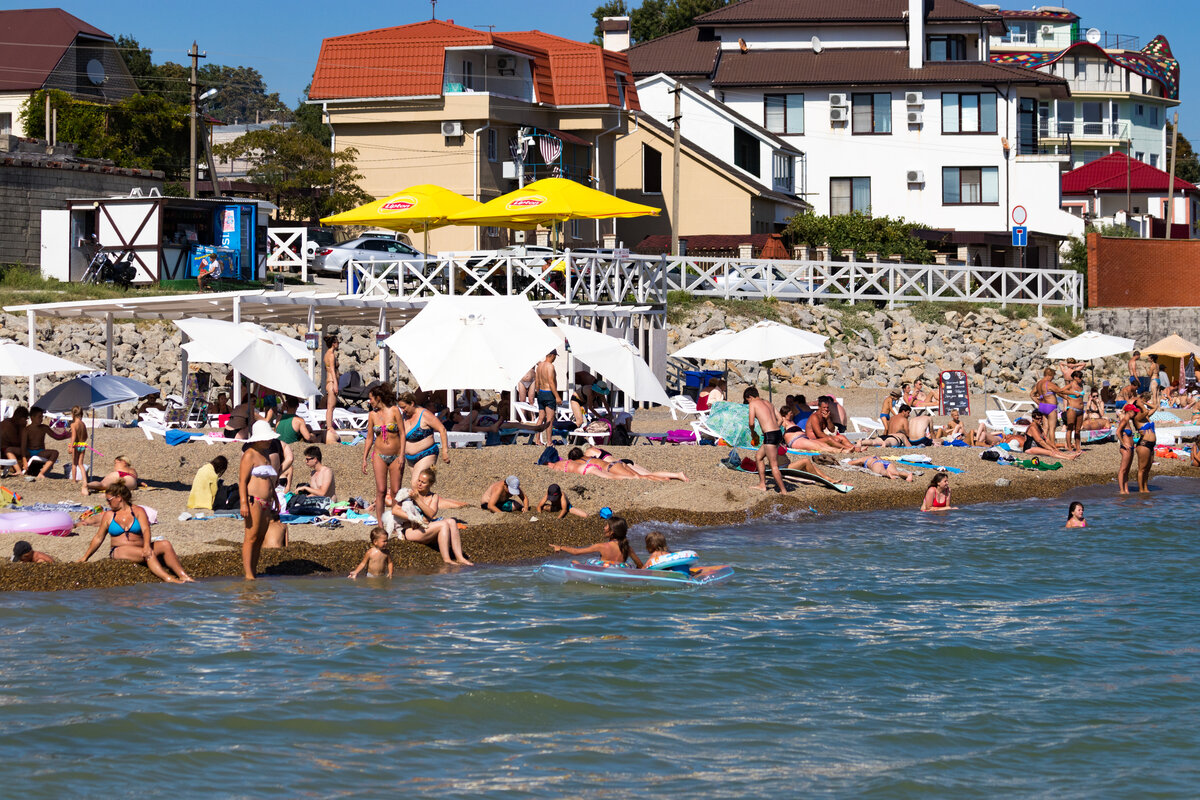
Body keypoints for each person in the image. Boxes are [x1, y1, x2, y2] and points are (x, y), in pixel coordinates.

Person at [77, 483, 193, 582]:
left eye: (109, 500)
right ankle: (169, 579)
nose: (108, 503)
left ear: (119, 497)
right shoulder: (109, 515)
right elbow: (98, 537)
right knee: (147, 553)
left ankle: (184, 576)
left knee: (165, 544)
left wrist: (147, 545)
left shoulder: (138, 511)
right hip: (119, 550)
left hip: (140, 547)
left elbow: (146, 529)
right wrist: (85, 557)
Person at [395, 467, 472, 565]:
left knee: (452, 522)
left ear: (430, 484)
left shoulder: (433, 497)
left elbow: (431, 513)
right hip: (411, 530)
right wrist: (412, 518)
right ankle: (447, 559)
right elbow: (395, 510)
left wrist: (417, 500)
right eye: (418, 480)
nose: (419, 484)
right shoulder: (410, 493)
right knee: (443, 524)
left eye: (423, 482)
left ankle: (460, 557)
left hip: (427, 529)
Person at [238, 421, 280, 580]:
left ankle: (253, 571)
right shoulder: (249, 454)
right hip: (253, 500)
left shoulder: (266, 454)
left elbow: (269, 480)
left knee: (260, 537)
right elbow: (242, 481)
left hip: (267, 501)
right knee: (251, 536)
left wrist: (275, 497)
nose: (269, 441)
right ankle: (248, 574)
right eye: (267, 438)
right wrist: (243, 503)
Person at [363, 384, 406, 525]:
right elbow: (369, 437)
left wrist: (401, 455)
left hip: (396, 455)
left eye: (371, 399)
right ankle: (380, 524)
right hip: (379, 455)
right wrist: (364, 458)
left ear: (378, 397)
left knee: (395, 491)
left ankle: (395, 521)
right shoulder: (372, 415)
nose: (370, 401)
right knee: (381, 490)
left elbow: (402, 433)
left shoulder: (394, 411)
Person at [397, 392, 450, 485]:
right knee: (421, 488)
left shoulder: (425, 414)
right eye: (400, 408)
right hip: (410, 457)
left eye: (404, 407)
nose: (402, 410)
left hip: (426, 454)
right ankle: (431, 500)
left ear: (412, 403)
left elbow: (442, 429)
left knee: (416, 484)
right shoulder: (404, 417)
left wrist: (445, 451)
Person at [550, 515, 642, 568]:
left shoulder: (601, 546)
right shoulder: (627, 547)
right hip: (619, 575)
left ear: (612, 532)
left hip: (603, 574)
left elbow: (576, 552)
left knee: (574, 562)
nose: (604, 528)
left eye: (606, 526)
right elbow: (640, 565)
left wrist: (560, 547)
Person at [745, 387, 786, 493]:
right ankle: (762, 484)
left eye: (747, 400)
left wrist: (753, 433)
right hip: (778, 433)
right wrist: (773, 429)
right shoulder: (768, 403)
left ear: (750, 397)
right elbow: (781, 419)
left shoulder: (753, 404)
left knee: (773, 465)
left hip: (770, 435)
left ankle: (783, 491)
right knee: (758, 457)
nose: (748, 402)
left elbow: (751, 423)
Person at [581, 446, 689, 481]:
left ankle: (676, 475)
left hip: (618, 465)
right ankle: (671, 476)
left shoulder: (588, 452)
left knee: (644, 476)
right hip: (623, 461)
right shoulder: (598, 448)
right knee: (650, 473)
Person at [274, 396, 315, 487]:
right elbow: (307, 437)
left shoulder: (279, 418)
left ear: (286, 406)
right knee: (314, 436)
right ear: (297, 406)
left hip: (278, 445)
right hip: (291, 447)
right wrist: (313, 436)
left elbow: (275, 432)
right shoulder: (299, 420)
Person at [22, 406, 69, 481]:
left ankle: (42, 473)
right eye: (39, 417)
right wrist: (24, 460)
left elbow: (56, 437)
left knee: (55, 453)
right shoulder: (26, 430)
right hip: (29, 451)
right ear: (32, 417)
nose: (41, 419)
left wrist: (67, 435)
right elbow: (23, 447)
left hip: (40, 452)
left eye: (42, 417)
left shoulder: (44, 427)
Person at [534, 351, 559, 447]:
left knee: (540, 417)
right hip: (549, 393)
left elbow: (537, 381)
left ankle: (537, 440)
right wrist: (557, 396)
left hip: (541, 392)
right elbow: (551, 382)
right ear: (552, 356)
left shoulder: (539, 366)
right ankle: (549, 441)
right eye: (555, 356)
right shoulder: (550, 366)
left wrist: (538, 392)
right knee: (550, 419)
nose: (555, 358)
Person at [1030, 368, 1061, 444]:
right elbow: (1061, 391)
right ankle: (1053, 447)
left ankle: (1042, 444)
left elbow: (1032, 394)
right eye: (1053, 376)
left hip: (1042, 406)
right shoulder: (1049, 384)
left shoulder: (1039, 383)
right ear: (1049, 375)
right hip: (1051, 407)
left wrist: (1038, 403)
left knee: (1045, 427)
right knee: (1052, 429)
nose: (1053, 378)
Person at [1059, 371, 1086, 453]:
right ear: (1074, 377)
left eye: (1081, 377)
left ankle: (1078, 448)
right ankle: (1069, 448)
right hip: (1072, 408)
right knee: (1070, 428)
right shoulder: (1070, 385)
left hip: (1080, 410)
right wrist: (1068, 397)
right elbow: (1059, 391)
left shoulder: (1081, 385)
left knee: (1078, 430)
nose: (1081, 379)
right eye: (1079, 377)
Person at [0, 406, 29, 474]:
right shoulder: (8, 425)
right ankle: (18, 469)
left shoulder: (14, 423)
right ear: (21, 418)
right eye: (26, 419)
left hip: (7, 450)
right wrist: (23, 429)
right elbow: (17, 443)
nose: (26, 421)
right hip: (6, 451)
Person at [323, 333, 340, 444]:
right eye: (337, 342)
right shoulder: (331, 355)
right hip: (331, 381)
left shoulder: (326, 354)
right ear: (334, 344)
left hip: (329, 381)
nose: (338, 344)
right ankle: (329, 426)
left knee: (331, 406)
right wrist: (335, 383)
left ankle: (329, 425)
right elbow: (333, 370)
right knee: (331, 406)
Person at [848, 455, 914, 481]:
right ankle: (908, 475)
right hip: (886, 462)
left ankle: (887, 474)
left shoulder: (863, 458)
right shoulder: (876, 456)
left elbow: (850, 463)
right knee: (896, 472)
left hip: (875, 464)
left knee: (882, 471)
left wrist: (858, 463)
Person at [68, 406, 87, 483]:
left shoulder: (73, 425)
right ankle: (85, 480)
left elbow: (73, 436)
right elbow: (86, 436)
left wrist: (71, 446)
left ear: (73, 414)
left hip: (75, 446)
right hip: (82, 445)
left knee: (74, 464)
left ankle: (74, 480)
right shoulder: (83, 424)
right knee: (81, 464)